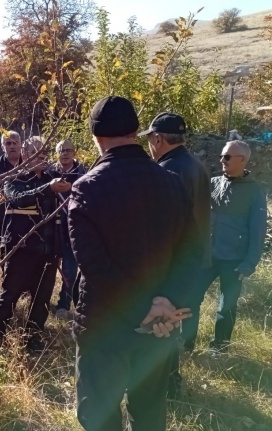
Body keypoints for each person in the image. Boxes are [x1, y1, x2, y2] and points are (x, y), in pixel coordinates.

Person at [68, 96, 196, 431]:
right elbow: (191, 253)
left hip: (105, 324)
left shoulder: (86, 189)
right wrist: (168, 305)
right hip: (159, 325)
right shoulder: (172, 183)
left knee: (98, 412)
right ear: (137, 131)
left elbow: (94, 266)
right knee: (150, 413)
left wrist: (145, 308)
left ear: (96, 136)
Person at [140, 112, 211, 397]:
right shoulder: (196, 165)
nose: (149, 145)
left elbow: (165, 226)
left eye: (149, 139)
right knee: (173, 326)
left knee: (161, 328)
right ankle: (170, 383)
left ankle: (164, 388)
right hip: (195, 261)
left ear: (158, 138)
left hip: (173, 264)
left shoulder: (168, 170)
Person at [0, 136, 70, 352]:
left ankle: (33, 340)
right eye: (38, 153)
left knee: (42, 300)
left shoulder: (54, 177)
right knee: (9, 296)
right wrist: (48, 189)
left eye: (45, 153)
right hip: (21, 250)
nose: (43, 157)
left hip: (49, 252)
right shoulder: (13, 179)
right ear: (26, 154)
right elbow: (18, 198)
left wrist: (59, 250)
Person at [198, 140, 267, 353]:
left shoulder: (255, 191)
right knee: (190, 296)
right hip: (208, 256)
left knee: (225, 307)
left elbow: (258, 229)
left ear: (242, 160)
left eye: (227, 157)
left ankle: (219, 348)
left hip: (234, 260)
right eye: (222, 156)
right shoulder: (214, 182)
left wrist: (249, 263)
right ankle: (186, 340)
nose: (222, 160)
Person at [50, 139, 87, 319]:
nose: (64, 153)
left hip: (75, 226)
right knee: (48, 266)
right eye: (61, 150)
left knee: (70, 268)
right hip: (52, 227)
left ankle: (64, 304)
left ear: (74, 152)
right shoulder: (49, 172)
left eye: (68, 150)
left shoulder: (84, 173)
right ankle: (38, 300)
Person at [0, 130, 21, 262]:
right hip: (3, 215)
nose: (12, 146)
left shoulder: (28, 162)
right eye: (8, 143)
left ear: (20, 144)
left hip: (26, 213)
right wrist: (6, 201)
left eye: (15, 143)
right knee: (5, 249)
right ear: (2, 147)